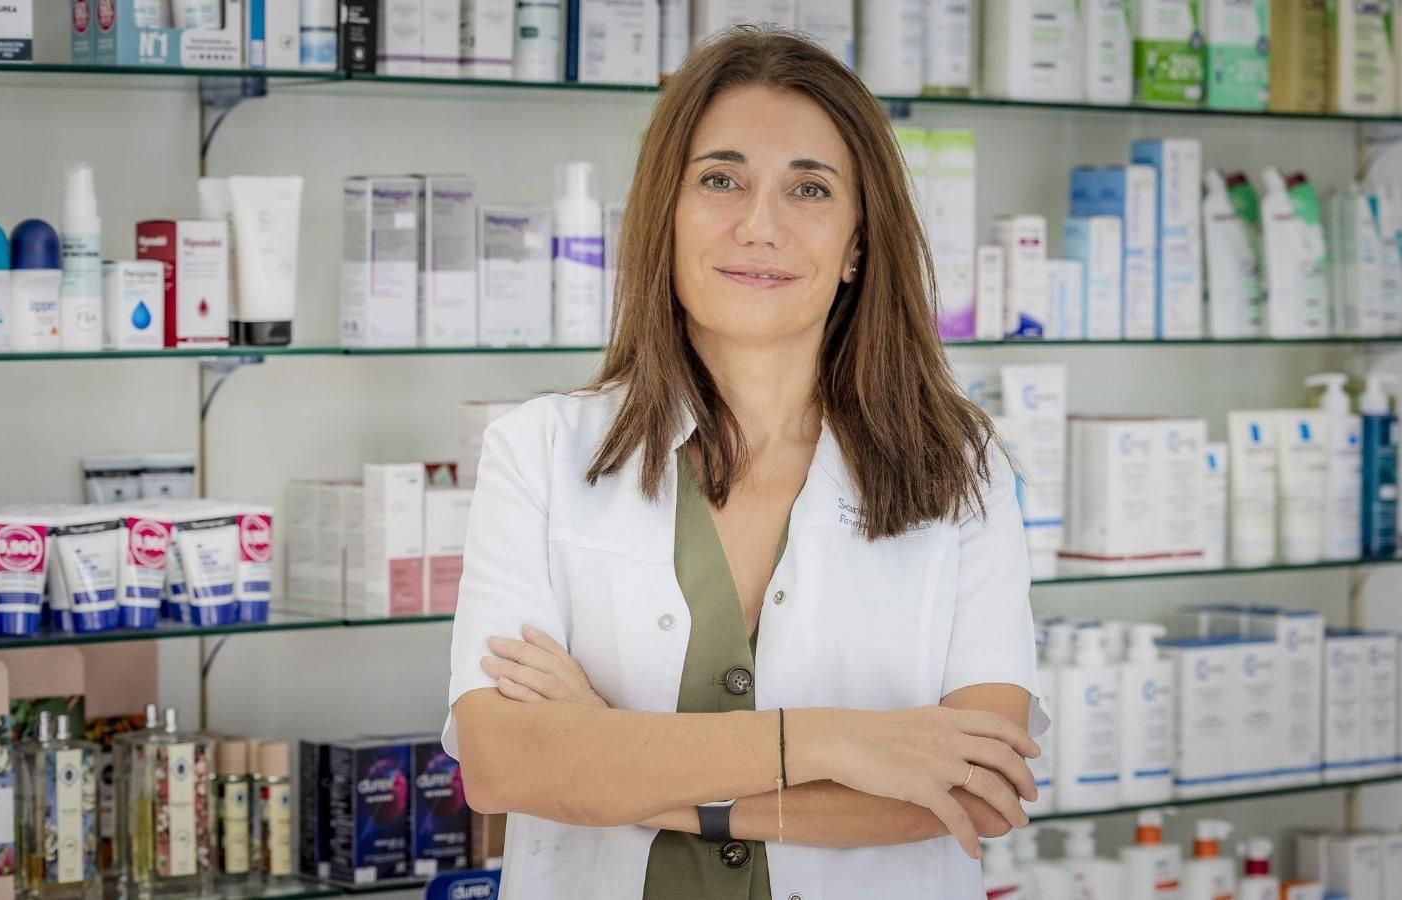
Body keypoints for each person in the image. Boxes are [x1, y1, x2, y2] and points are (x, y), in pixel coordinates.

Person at [443, 27, 1049, 900]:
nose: (760, 226)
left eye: (810, 189)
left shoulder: (959, 467)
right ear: (666, 214)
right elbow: (503, 765)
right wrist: (833, 743)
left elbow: (978, 789)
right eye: (720, 180)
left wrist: (613, 758)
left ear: (858, 244)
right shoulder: (539, 453)